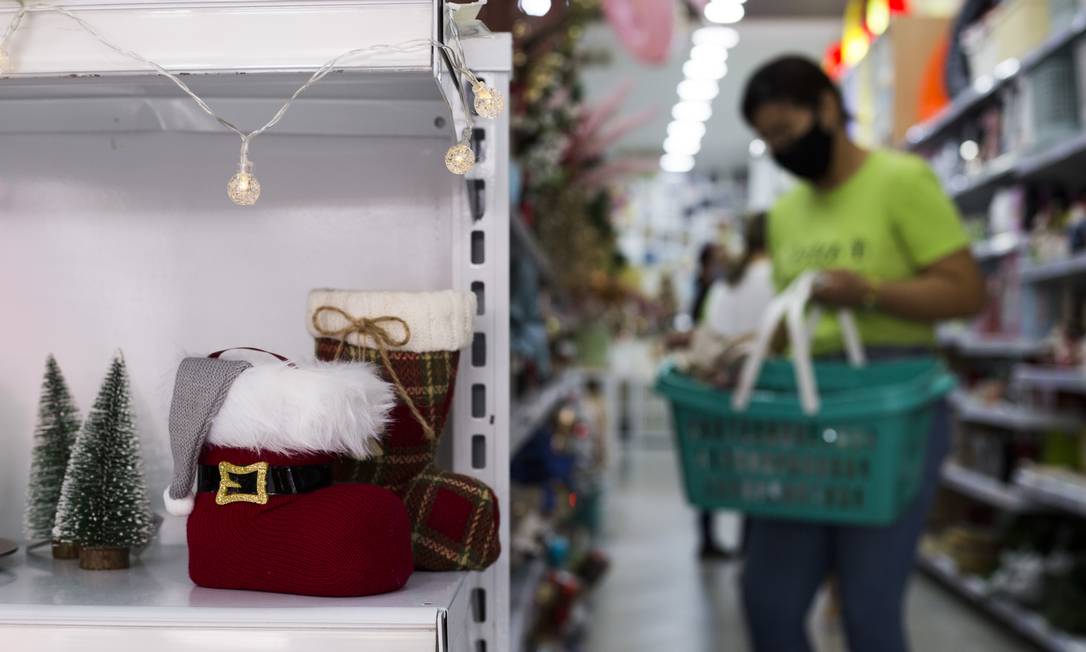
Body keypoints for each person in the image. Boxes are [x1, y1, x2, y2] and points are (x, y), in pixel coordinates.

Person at [738, 55, 985, 652]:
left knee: (868, 606)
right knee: (767, 598)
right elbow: (794, 322)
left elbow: (966, 291)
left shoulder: (901, 181)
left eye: (787, 133)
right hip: (805, 406)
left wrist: (870, 290)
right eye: (767, 140)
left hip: (891, 407)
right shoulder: (787, 213)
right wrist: (733, 353)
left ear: (827, 108)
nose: (780, 150)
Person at [697, 214, 774, 560]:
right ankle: (750, 549)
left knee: (715, 464)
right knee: (760, 474)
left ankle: (708, 539)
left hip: (719, 391)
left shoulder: (726, 283)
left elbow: (709, 333)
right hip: (765, 393)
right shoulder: (777, 279)